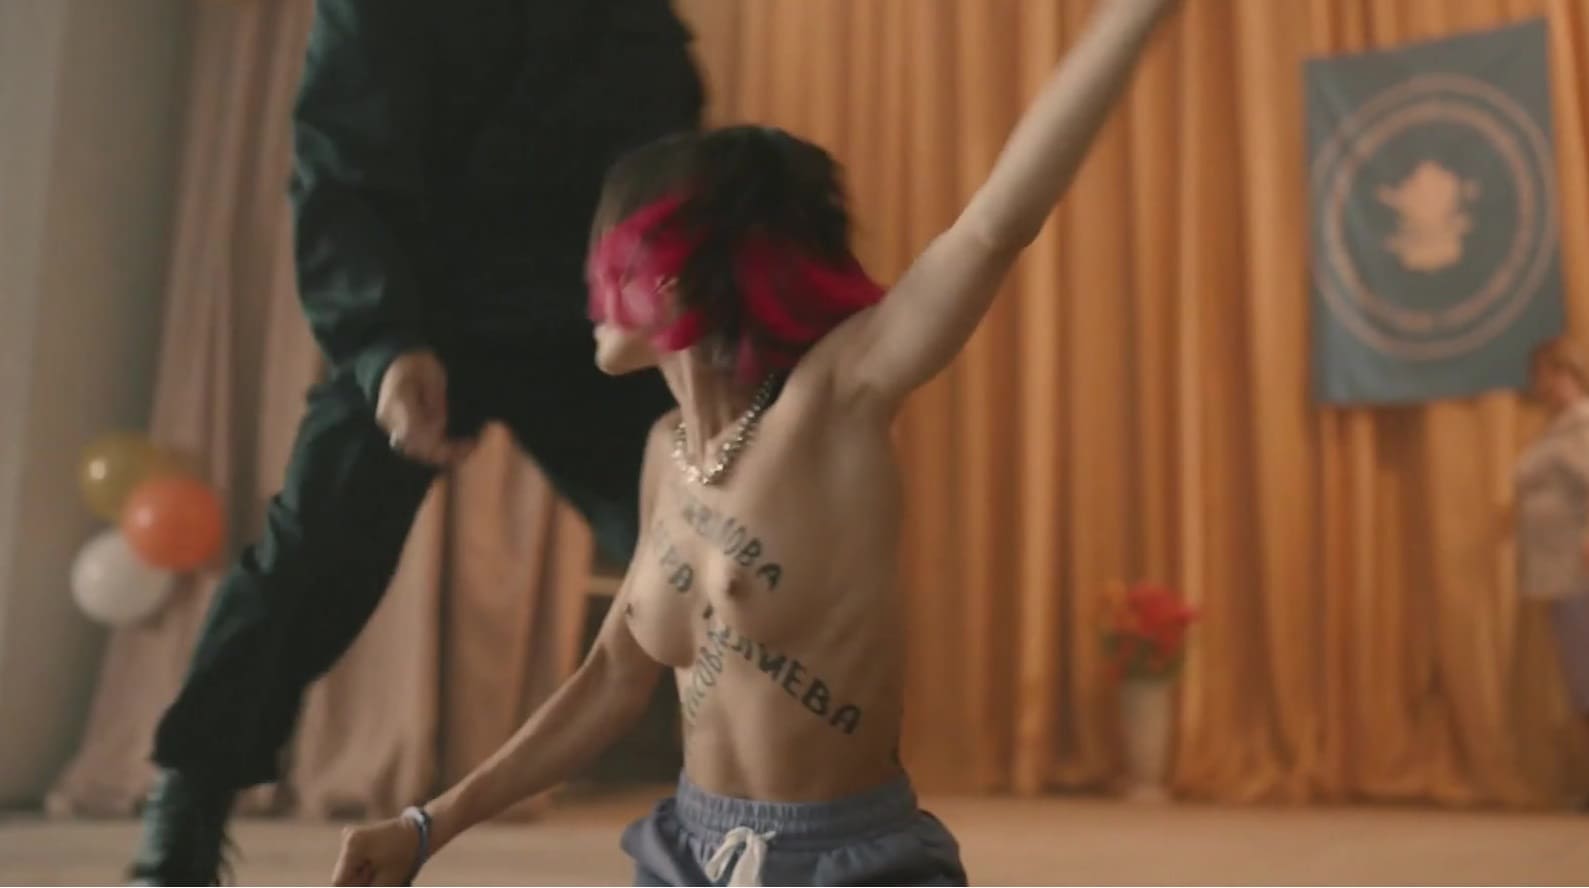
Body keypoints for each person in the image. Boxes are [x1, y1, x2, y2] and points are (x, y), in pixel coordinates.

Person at [332, 0, 1181, 884]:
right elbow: (612, 677)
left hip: (845, 863)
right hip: (687, 853)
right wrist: (426, 827)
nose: (584, 287)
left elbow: (992, 227)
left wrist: (1134, 14)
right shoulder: (668, 451)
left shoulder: (832, 404)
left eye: (604, 256)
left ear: (667, 272)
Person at [130, 1, 704, 883]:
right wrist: (382, 344)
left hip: (584, 323)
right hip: (418, 312)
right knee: (312, 552)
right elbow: (339, 177)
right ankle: (189, 797)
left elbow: (665, 161)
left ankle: (784, 793)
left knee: (705, 540)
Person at [1515, 337, 1589, 778]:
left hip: (1580, 568)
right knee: (1580, 676)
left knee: (1587, 674)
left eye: (1551, 374)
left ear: (1572, 375)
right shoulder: (1559, 428)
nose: (1544, 384)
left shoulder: (1582, 426)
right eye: (1540, 376)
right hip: (1561, 570)